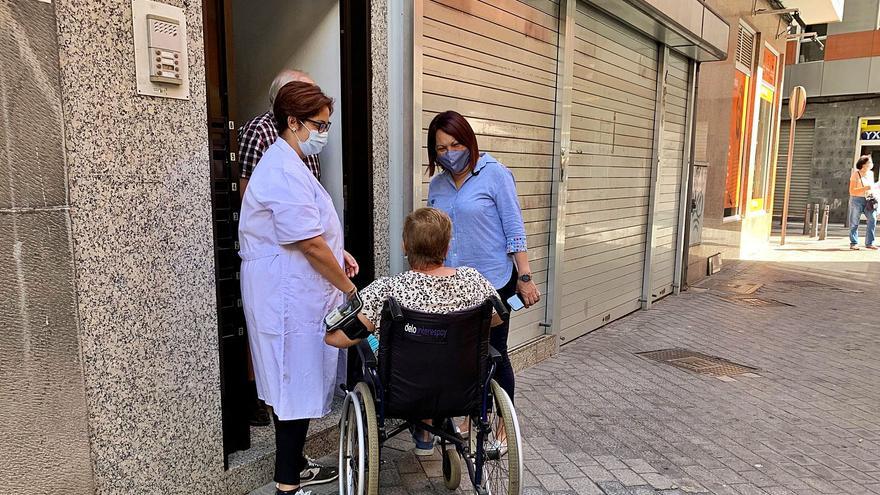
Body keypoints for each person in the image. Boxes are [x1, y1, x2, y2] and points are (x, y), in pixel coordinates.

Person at [238, 81, 357, 495]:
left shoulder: (290, 164)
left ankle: (293, 473)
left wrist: (338, 254)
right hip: (286, 296)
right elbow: (307, 242)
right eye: (319, 125)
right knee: (291, 389)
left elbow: (311, 233)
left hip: (292, 290)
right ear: (293, 122)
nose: (324, 133)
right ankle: (287, 486)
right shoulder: (281, 170)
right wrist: (349, 291)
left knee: (293, 388)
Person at [324, 207, 503, 456]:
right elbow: (495, 320)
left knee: (369, 346)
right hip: (462, 387)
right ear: (446, 247)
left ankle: (422, 432)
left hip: (403, 389)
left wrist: (328, 333)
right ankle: (427, 431)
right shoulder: (474, 281)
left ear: (405, 247)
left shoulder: (387, 290)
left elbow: (341, 339)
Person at [425, 110, 540, 405]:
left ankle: (502, 425)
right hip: (452, 285)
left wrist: (524, 277)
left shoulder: (495, 174)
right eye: (441, 148)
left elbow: (514, 229)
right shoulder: (437, 186)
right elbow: (433, 233)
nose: (449, 153)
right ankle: (466, 420)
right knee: (457, 354)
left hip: (495, 283)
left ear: (469, 141)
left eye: (455, 145)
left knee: (494, 353)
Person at [238, 69, 321, 196]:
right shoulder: (259, 131)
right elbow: (247, 194)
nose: (315, 103)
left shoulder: (307, 131)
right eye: (307, 97)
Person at [848, 155, 878, 250]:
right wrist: (865, 188)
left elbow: (872, 187)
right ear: (863, 164)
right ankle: (854, 243)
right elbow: (852, 191)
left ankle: (869, 243)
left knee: (872, 219)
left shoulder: (871, 174)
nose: (871, 164)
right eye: (869, 162)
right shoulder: (855, 175)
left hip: (869, 199)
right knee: (854, 222)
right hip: (857, 199)